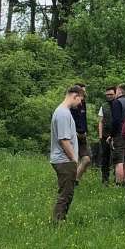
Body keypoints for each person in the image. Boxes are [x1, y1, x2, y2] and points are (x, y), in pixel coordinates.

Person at [50, 85, 85, 222]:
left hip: (64, 159)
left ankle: (60, 219)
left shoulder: (63, 112)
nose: (80, 103)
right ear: (75, 96)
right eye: (80, 100)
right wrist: (74, 159)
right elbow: (64, 140)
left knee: (67, 192)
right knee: (66, 194)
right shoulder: (63, 113)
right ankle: (58, 222)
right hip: (64, 160)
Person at [96, 87, 116, 185]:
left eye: (111, 94)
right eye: (107, 94)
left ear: (115, 94)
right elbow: (100, 121)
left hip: (116, 135)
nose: (109, 96)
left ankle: (117, 178)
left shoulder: (118, 104)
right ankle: (105, 179)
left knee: (117, 157)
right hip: (105, 135)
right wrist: (100, 136)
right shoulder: (103, 106)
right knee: (105, 157)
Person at [71, 83, 91, 180]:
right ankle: (70, 181)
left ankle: (75, 180)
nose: (84, 93)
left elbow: (84, 119)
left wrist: (85, 131)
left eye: (84, 91)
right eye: (82, 91)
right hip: (73, 135)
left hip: (82, 135)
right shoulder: (71, 105)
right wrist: (74, 132)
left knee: (86, 160)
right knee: (72, 160)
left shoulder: (83, 103)